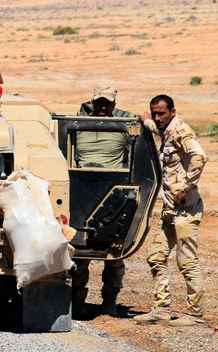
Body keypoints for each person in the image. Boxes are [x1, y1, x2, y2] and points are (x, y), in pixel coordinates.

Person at [133, 95, 207, 327]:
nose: (157, 117)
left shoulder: (181, 132)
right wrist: (145, 121)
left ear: (172, 111)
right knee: (155, 257)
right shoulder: (164, 129)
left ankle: (194, 315)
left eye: (161, 113)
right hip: (169, 210)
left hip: (186, 209)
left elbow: (200, 156)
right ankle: (161, 310)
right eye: (154, 112)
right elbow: (155, 126)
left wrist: (186, 187)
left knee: (187, 262)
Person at [70, 86, 132, 317]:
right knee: (78, 253)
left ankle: (109, 302)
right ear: (92, 103)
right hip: (83, 189)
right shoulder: (78, 124)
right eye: (99, 103)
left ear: (114, 105)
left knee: (114, 254)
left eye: (108, 103)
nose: (103, 107)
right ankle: (76, 303)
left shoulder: (123, 126)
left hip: (114, 192)